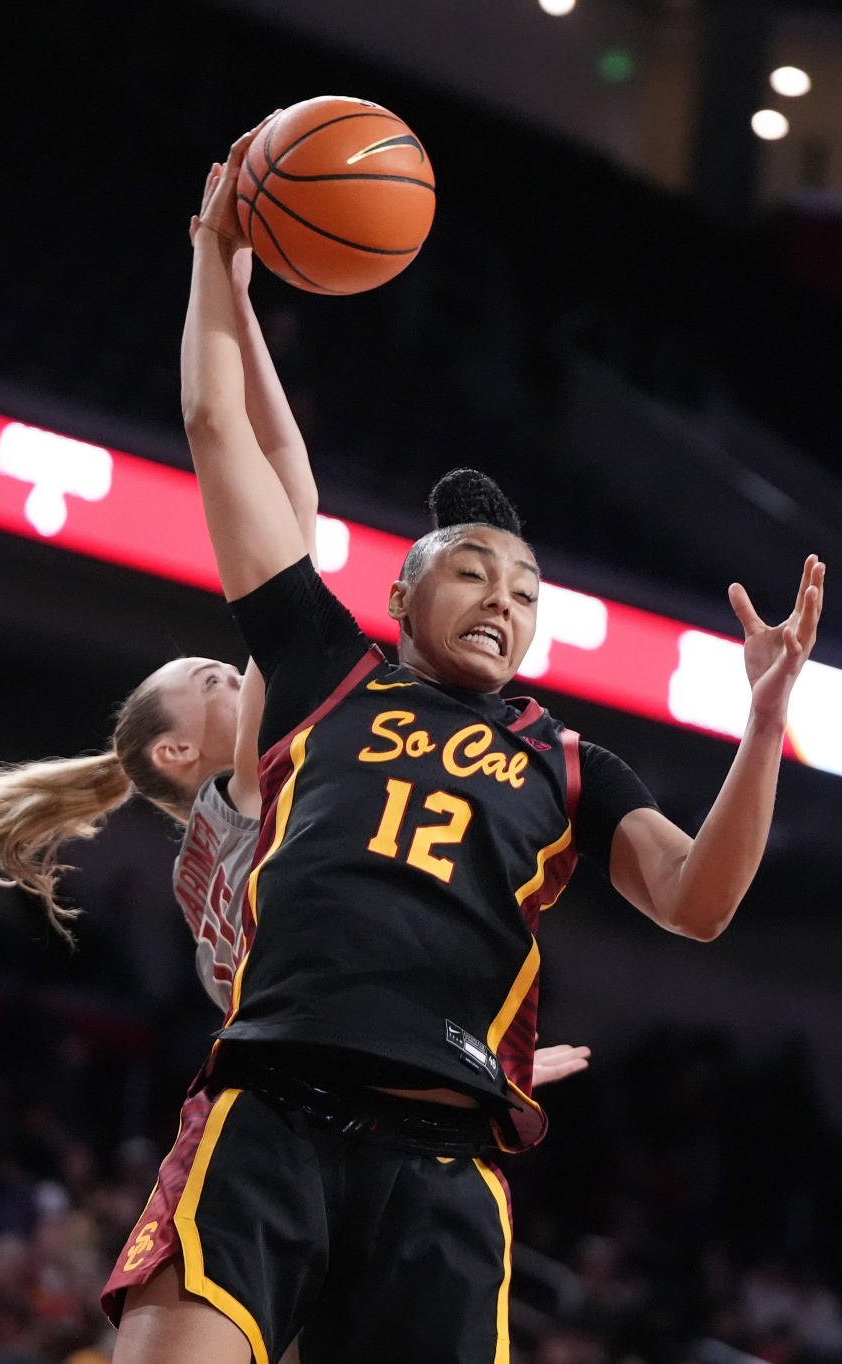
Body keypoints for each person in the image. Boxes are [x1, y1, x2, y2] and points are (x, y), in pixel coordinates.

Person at [100, 123, 825, 1364]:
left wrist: (764, 727)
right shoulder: (324, 667)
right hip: (265, 1112)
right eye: (474, 570)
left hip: (444, 1162)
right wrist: (218, 254)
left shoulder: (575, 760)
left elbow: (700, 904)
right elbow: (224, 428)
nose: (503, 596)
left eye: (526, 589)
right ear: (399, 597)